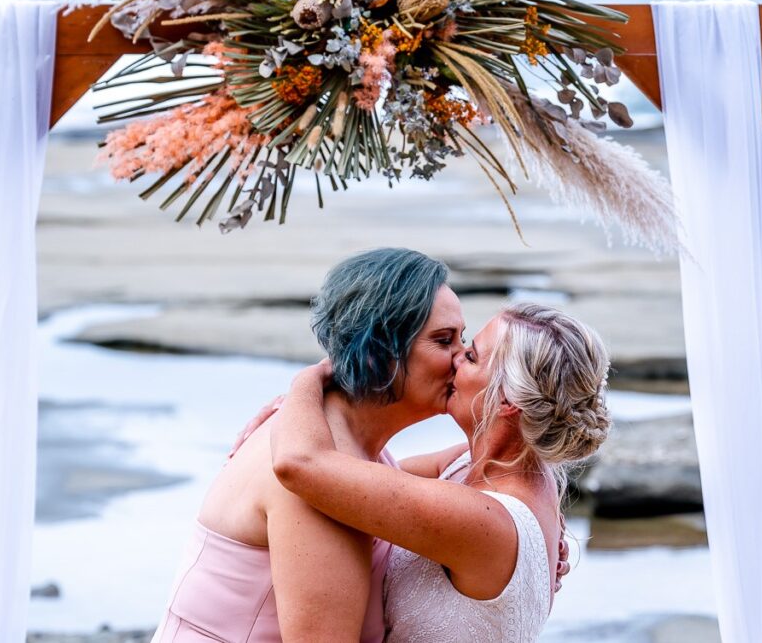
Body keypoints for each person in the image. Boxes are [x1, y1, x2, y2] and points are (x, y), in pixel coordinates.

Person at [149, 248, 469, 642]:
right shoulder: (321, 477)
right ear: (383, 350)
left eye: (462, 339)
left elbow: (426, 474)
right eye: (443, 340)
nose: (462, 359)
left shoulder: (340, 437)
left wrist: (523, 510)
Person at [271, 303, 612, 641]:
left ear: (509, 400)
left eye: (473, 357)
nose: (456, 357)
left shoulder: (485, 521)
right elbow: (361, 476)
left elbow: (300, 464)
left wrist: (309, 382)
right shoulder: (479, 465)